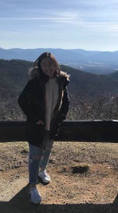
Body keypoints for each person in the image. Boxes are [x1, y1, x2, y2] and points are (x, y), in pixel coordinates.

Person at [18, 52, 70, 204]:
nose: (48, 68)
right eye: (44, 65)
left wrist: (61, 117)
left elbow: (66, 102)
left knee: (47, 150)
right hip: (37, 127)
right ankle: (33, 187)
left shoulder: (62, 81)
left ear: (56, 65)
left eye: (50, 64)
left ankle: (42, 171)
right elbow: (22, 101)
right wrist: (35, 118)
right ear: (40, 66)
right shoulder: (36, 82)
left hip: (52, 125)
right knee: (35, 156)